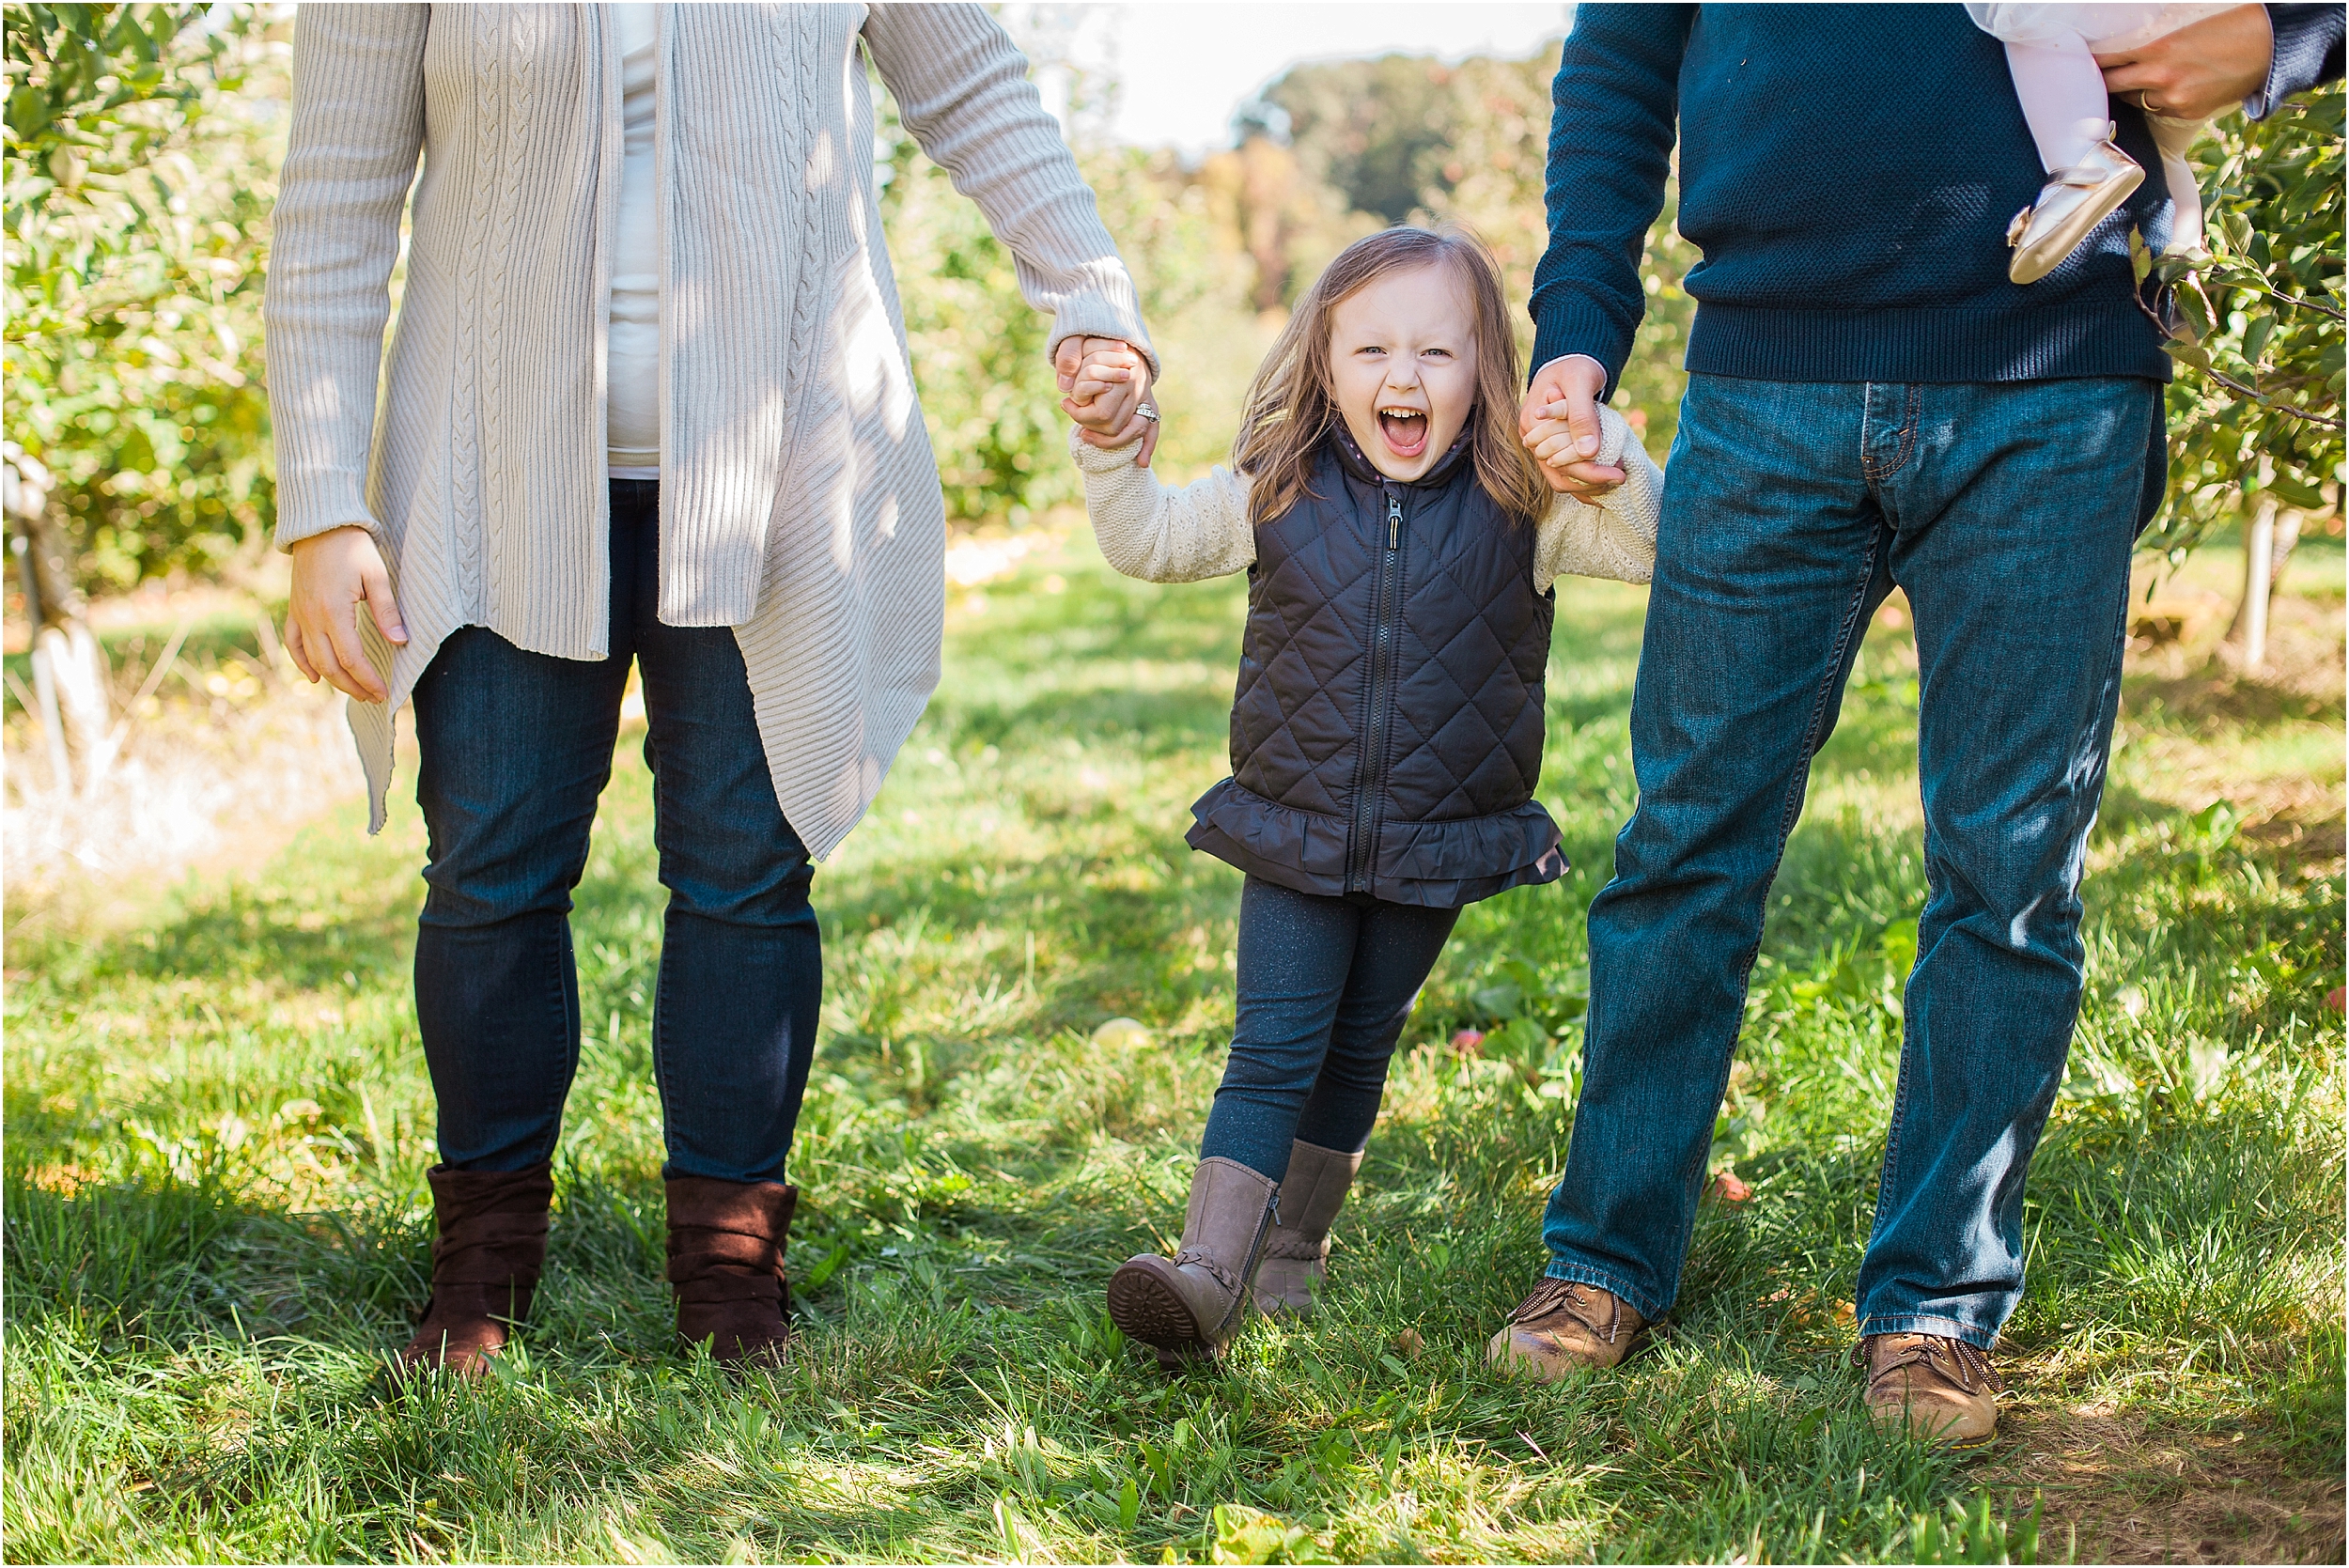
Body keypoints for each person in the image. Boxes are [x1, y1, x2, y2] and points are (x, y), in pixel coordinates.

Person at [1492, 3, 2341, 1448]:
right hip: (1764, 378)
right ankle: (1603, 1260)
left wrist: (2295, 35)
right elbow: (1624, 60)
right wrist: (1578, 328)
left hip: (2052, 380)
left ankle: (1935, 1309)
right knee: (1685, 840)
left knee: (2010, 873)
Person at [265, 3, 1158, 1375]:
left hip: (778, 465)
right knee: (492, 865)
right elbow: (335, 193)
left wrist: (1090, 306)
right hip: (496, 469)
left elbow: (973, 86)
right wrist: (323, 505)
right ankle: (481, 1263)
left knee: (746, 868)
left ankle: (732, 1266)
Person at [1064, 227, 1661, 1365]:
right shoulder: (1275, 483)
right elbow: (1144, 540)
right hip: (1291, 822)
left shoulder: (1522, 495)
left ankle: (1286, 1267)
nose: (1402, 377)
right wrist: (1108, 454)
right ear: (1324, 363)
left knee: (1355, 1047)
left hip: (1436, 836)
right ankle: (1206, 1270)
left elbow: (1661, 544)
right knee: (1275, 1043)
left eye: (1437, 353)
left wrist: (1601, 446)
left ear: (1486, 367)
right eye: (1372, 349)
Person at [1969, 3, 2241, 280]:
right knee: (2169, 155)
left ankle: (2083, 162)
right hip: (2203, 28)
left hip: (2142, 26)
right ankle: (2182, 274)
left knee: (2029, 18)